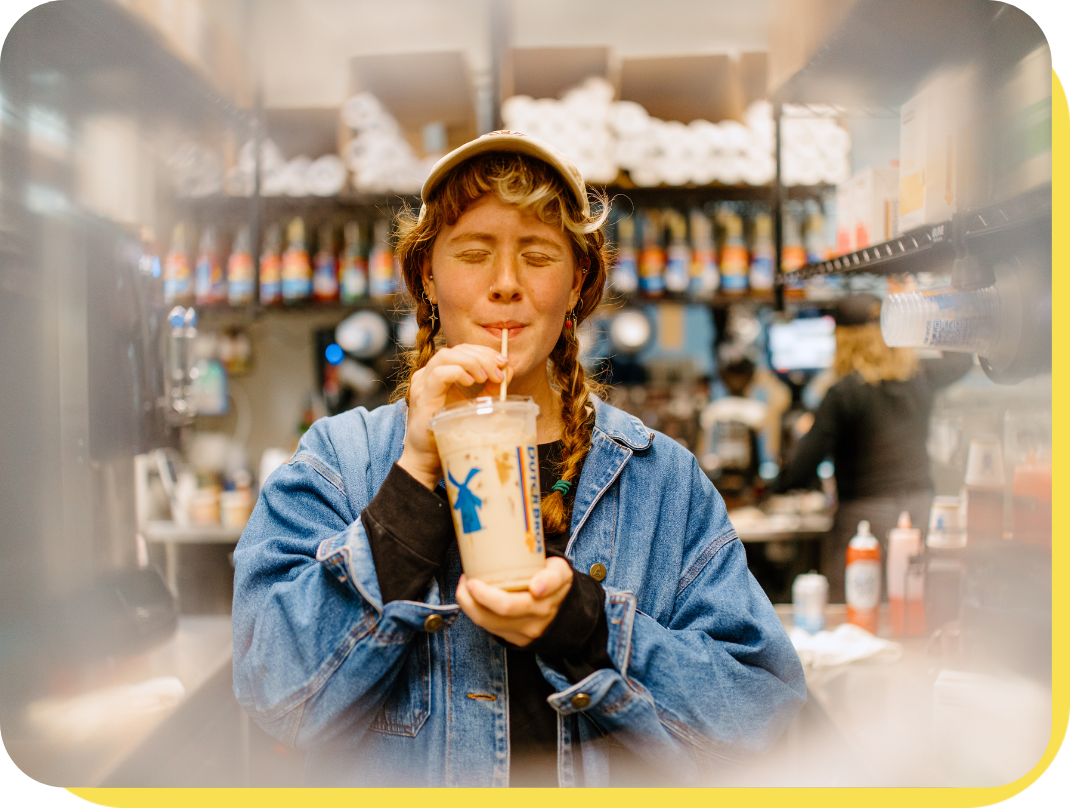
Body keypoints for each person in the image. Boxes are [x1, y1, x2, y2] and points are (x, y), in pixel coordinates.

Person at [231, 131, 805, 787]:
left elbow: (764, 718)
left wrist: (591, 628)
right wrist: (414, 484)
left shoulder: (659, 481)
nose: (506, 284)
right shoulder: (341, 462)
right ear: (428, 275)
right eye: (474, 253)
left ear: (578, 282)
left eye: (537, 255)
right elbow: (273, 695)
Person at [773, 293, 973, 602]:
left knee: (858, 613)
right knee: (913, 607)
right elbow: (962, 359)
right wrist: (934, 309)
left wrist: (777, 481)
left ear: (843, 341)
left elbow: (800, 470)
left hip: (864, 520)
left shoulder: (843, 393)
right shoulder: (920, 377)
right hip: (920, 510)